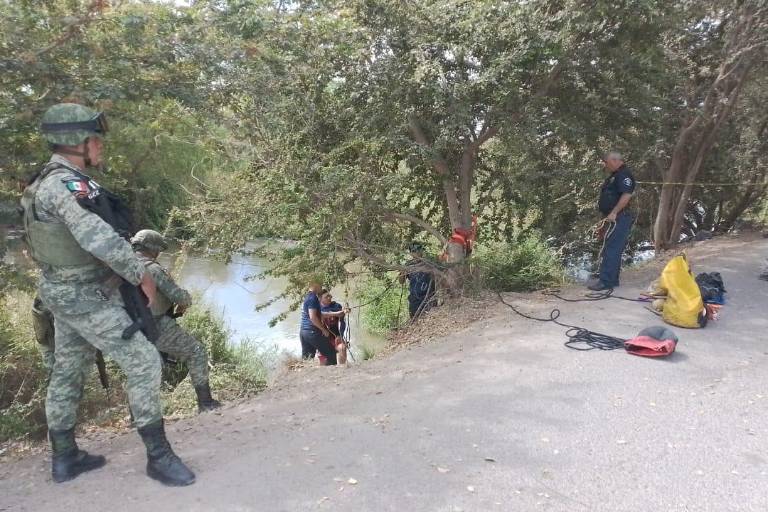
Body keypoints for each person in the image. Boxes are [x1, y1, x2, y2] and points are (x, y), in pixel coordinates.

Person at [21, 103, 194, 486]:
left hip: (61, 294)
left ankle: (65, 457)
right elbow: (96, 237)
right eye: (96, 140)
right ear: (78, 142)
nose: (101, 147)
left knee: (68, 370)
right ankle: (159, 457)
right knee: (145, 362)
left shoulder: (43, 182)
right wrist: (141, 275)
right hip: (84, 295)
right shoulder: (63, 185)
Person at [131, 229, 221, 412]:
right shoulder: (152, 269)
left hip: (127, 327)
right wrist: (185, 300)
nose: (158, 254)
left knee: (141, 369)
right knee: (197, 352)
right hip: (154, 325)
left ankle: (137, 417)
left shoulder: (121, 266)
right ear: (152, 248)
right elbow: (181, 298)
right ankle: (206, 403)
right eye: (158, 250)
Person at [589, 151, 636, 291]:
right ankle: (611, 279)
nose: (606, 166)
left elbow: (627, 195)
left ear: (616, 161)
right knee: (610, 247)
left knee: (612, 248)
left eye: (608, 163)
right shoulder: (615, 176)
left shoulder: (624, 175)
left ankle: (606, 281)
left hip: (620, 216)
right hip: (612, 217)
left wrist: (615, 212)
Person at [299, 279, 339, 365]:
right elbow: (313, 317)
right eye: (320, 284)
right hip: (312, 332)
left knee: (307, 358)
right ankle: (330, 376)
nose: (321, 286)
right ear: (314, 284)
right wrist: (323, 329)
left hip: (304, 332)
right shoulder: (313, 298)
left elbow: (318, 314)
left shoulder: (307, 296)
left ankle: (305, 376)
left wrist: (337, 313)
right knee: (331, 354)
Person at [398, 242, 436, 319]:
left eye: (419, 250)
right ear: (411, 253)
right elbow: (401, 281)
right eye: (414, 251)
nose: (417, 253)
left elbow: (438, 277)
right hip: (414, 301)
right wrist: (402, 272)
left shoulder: (429, 262)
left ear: (422, 250)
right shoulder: (408, 265)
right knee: (415, 322)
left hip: (429, 298)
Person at [319, 290, 347, 365]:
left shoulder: (337, 306)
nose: (329, 298)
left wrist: (340, 335)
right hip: (322, 338)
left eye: (330, 296)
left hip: (336, 336)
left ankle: (343, 369)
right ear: (320, 299)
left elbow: (342, 322)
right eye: (326, 297)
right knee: (325, 364)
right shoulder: (317, 309)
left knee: (342, 348)